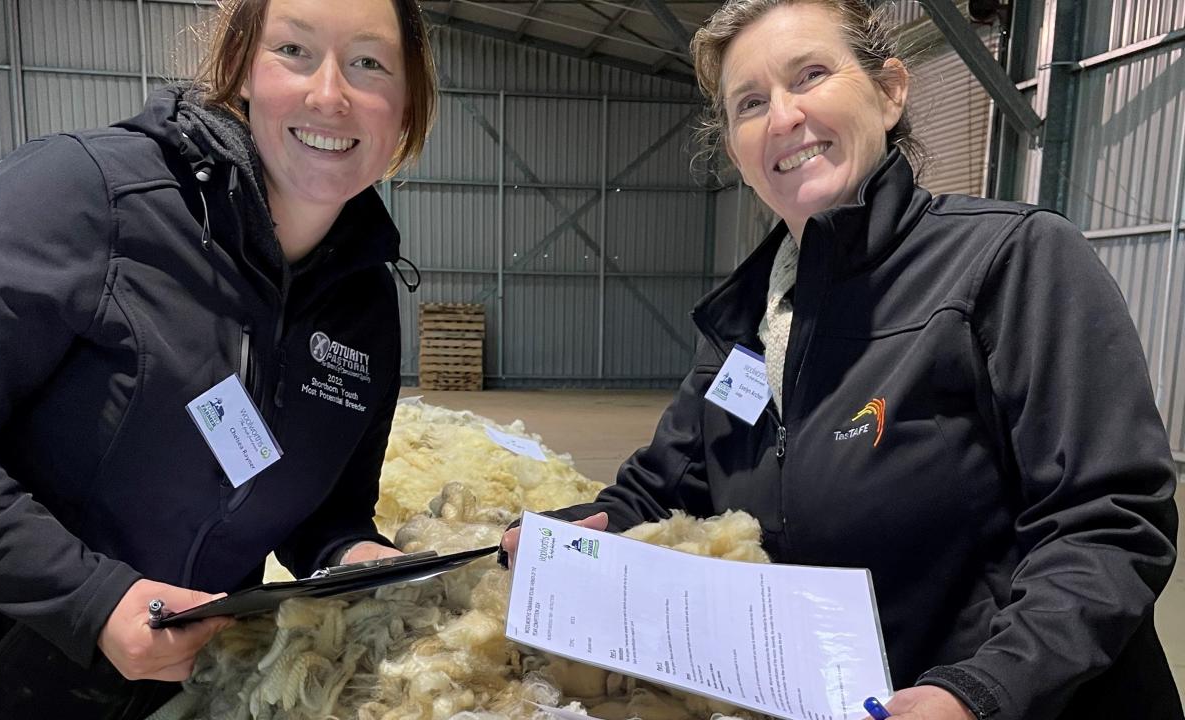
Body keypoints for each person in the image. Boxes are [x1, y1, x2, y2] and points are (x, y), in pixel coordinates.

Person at [500, 1, 1181, 718]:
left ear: (889, 91)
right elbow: (668, 485)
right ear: (735, 149)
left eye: (811, 75)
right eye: (751, 103)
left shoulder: (1008, 263)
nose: (784, 117)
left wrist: (981, 691)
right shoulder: (743, 321)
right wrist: (585, 530)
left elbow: (1108, 520)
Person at [0, 0, 436, 716]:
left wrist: (360, 559)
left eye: (370, 63)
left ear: (406, 106)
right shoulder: (94, 196)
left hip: (181, 697)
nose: (330, 94)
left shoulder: (364, 301)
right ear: (241, 68)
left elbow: (328, 514)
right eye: (295, 51)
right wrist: (92, 601)